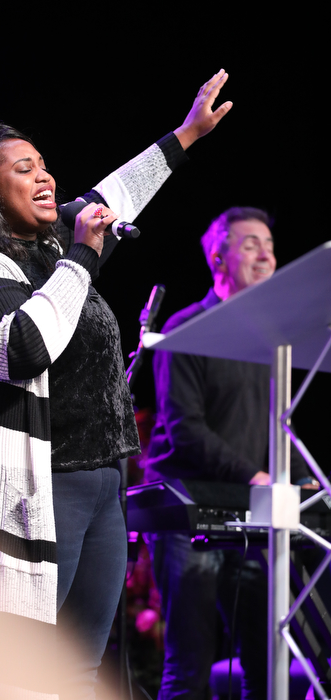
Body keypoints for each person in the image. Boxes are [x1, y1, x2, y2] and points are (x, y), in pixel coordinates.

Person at [0, 70, 232, 699]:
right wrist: (81, 257)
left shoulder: (52, 248)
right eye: (25, 168)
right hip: (34, 490)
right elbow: (21, 350)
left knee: (79, 672)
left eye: (45, 166)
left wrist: (188, 133)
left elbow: (118, 192)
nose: (46, 177)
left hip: (102, 483)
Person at [143, 207, 317, 700]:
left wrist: (304, 479)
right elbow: (185, 429)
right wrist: (258, 477)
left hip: (251, 509)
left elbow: (278, 426)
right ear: (218, 259)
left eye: (269, 245)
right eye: (250, 244)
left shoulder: (270, 341)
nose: (266, 255)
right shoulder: (186, 328)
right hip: (188, 510)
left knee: (267, 663)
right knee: (190, 664)